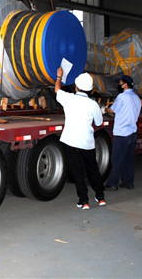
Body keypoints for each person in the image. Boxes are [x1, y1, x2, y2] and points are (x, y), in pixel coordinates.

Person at [55, 69, 106, 210]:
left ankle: (84, 201)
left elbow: (57, 89)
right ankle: (100, 197)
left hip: (71, 142)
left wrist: (59, 76)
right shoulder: (93, 105)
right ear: (90, 89)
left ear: (76, 87)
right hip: (87, 143)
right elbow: (98, 122)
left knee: (78, 172)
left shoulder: (69, 98)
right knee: (93, 170)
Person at [105, 75, 141, 191]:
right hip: (132, 132)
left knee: (116, 160)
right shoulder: (136, 98)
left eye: (120, 83)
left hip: (122, 134)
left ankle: (112, 184)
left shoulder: (122, 97)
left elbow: (112, 110)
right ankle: (128, 182)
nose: (119, 85)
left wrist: (104, 109)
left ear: (125, 84)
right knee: (129, 159)